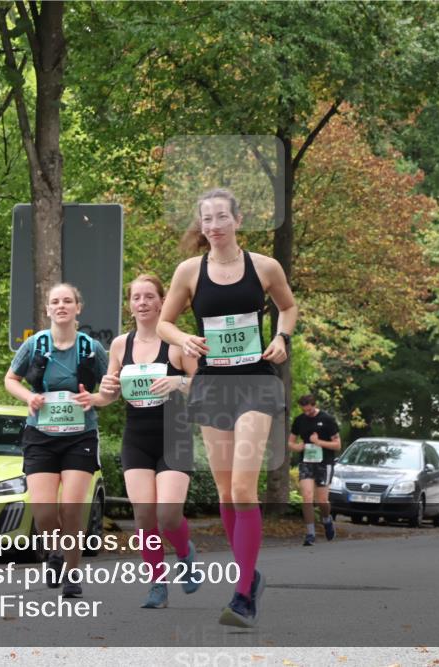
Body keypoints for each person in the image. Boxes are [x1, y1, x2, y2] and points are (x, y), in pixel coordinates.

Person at [159, 188, 298, 628]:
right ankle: (249, 575)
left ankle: (242, 597)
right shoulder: (188, 272)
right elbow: (164, 322)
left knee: (242, 489)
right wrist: (183, 339)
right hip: (213, 386)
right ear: (201, 226)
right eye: (207, 218)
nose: (215, 225)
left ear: (238, 220)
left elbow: (288, 307)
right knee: (224, 494)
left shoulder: (264, 267)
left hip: (256, 383)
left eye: (222, 216)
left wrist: (281, 337)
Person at [98, 274, 201, 609]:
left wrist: (177, 383)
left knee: (168, 515)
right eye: (136, 298)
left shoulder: (176, 345)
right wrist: (101, 394)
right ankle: (157, 583)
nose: (142, 303)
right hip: (137, 437)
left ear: (161, 301)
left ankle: (185, 554)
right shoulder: (119, 345)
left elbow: (204, 388)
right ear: (130, 305)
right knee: (144, 516)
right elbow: (109, 394)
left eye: (148, 297)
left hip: (174, 434)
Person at [4, 283, 108, 599]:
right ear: (47, 309)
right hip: (41, 436)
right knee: (45, 510)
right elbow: (11, 380)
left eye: (67, 301)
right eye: (55, 302)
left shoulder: (92, 348)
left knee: (72, 508)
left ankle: (72, 575)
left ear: (78, 308)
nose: (61, 306)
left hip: (80, 437)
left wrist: (96, 398)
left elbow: (111, 390)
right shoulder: (35, 345)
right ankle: (54, 552)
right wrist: (29, 398)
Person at [287, 395, 341, 546]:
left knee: (322, 501)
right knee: (307, 497)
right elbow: (290, 442)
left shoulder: (328, 419)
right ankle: (310, 533)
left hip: (324, 463)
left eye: (309, 410)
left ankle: (326, 519)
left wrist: (319, 442)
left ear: (314, 405)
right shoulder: (299, 420)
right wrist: (296, 447)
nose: (307, 413)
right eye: (304, 410)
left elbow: (337, 445)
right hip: (306, 462)